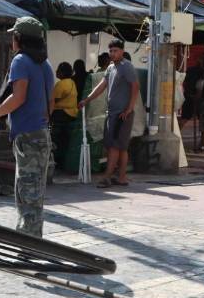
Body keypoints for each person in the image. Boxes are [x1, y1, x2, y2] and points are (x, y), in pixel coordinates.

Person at [0, 17, 55, 234]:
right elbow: (51, 104)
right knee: (34, 192)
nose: (11, 40)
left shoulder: (20, 61)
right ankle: (31, 237)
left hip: (28, 136)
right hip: (41, 134)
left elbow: (18, 97)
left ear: (19, 39)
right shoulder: (45, 64)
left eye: (13, 36)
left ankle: (28, 243)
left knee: (27, 192)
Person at [80, 39, 139, 187]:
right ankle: (121, 178)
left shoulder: (127, 67)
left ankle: (107, 177)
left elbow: (135, 86)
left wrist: (129, 108)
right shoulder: (111, 67)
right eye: (111, 51)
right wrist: (87, 100)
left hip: (122, 114)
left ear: (122, 51)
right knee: (118, 147)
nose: (112, 54)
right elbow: (102, 86)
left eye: (115, 51)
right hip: (112, 113)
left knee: (116, 146)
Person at [50, 61, 79, 165]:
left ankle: (56, 161)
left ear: (62, 72)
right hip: (72, 114)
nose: (56, 72)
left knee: (55, 139)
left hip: (61, 114)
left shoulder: (61, 84)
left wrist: (48, 114)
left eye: (58, 70)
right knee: (65, 140)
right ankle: (63, 162)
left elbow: (53, 101)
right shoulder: (71, 82)